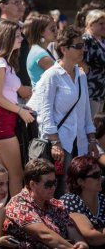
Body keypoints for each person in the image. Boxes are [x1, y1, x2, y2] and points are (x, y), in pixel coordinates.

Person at [28, 26, 98, 198]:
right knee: (59, 189)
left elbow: (85, 111)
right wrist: (55, 142)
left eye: (83, 45)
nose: (83, 49)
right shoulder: (51, 76)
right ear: (64, 49)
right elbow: (45, 112)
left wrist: (91, 139)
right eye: (78, 46)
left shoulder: (81, 74)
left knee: (76, 187)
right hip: (60, 143)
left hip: (79, 140)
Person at [0, 20, 34, 196]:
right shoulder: (1, 63)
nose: (21, 38)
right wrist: (20, 111)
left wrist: (19, 107)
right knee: (16, 174)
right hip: (1, 119)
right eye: (17, 35)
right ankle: (16, 217)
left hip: (4, 117)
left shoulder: (4, 62)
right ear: (7, 38)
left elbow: (4, 95)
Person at [0, 0, 32, 162]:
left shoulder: (17, 28)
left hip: (16, 92)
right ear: (3, 6)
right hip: (7, 97)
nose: (22, 6)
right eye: (16, 2)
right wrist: (19, 89)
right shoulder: (0, 31)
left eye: (22, 2)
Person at [3, 158, 88, 249]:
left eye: (55, 182)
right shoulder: (18, 204)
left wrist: (82, 245)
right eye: (48, 184)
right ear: (33, 185)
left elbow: (74, 233)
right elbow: (45, 235)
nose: (53, 187)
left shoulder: (57, 204)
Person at [61, 156, 105, 248]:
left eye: (100, 173)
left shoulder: (102, 198)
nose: (101, 178)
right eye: (96, 175)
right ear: (80, 181)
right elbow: (92, 237)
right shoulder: (70, 200)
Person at [82, 10, 105, 117]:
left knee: (97, 124)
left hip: (101, 90)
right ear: (91, 24)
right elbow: (80, 62)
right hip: (91, 90)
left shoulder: (101, 40)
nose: (104, 26)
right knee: (90, 125)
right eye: (101, 23)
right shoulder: (86, 39)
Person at [25, 14, 57, 87]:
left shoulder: (38, 49)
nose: (56, 32)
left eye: (56, 28)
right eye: (52, 29)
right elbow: (62, 76)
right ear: (41, 32)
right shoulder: (40, 54)